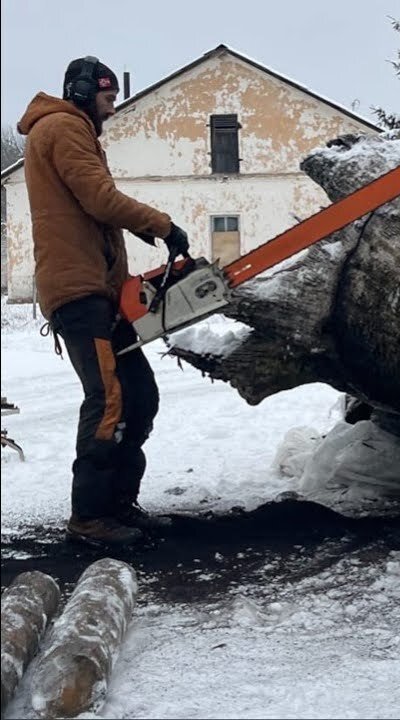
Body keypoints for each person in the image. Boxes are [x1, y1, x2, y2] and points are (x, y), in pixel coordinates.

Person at [17, 56, 190, 547]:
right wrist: (161, 224)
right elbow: (98, 196)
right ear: (82, 92)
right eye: (107, 99)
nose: (111, 110)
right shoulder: (63, 129)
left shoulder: (73, 130)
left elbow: (93, 207)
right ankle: (89, 516)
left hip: (102, 289)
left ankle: (118, 504)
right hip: (78, 290)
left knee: (139, 395)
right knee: (109, 398)